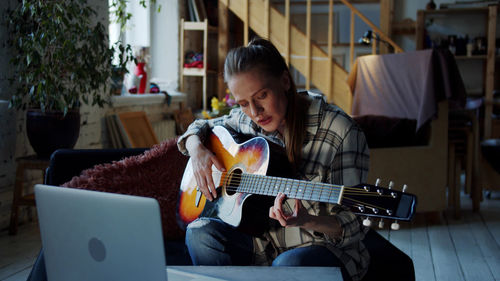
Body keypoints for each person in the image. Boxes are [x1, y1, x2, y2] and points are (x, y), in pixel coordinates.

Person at [177, 38, 413, 281]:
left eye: (262, 96)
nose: (255, 113)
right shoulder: (246, 120)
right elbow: (200, 126)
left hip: (320, 248)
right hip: (261, 242)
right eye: (244, 103)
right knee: (198, 233)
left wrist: (308, 220)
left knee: (289, 264)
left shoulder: (341, 132)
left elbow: (353, 225)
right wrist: (197, 150)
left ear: (285, 81)